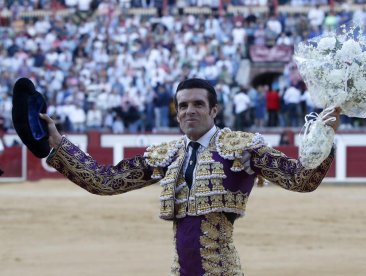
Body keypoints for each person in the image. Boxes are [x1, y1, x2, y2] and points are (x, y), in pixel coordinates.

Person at [39, 78, 341, 275]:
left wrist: (324, 139)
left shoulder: (242, 146)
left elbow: (300, 180)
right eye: (183, 106)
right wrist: (59, 143)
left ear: (214, 110)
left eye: (198, 104)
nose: (189, 111)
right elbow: (105, 181)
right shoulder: (167, 154)